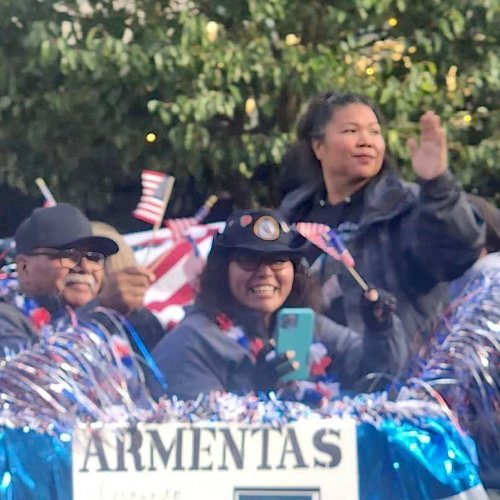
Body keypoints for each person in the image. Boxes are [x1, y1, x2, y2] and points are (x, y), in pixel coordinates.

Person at [279, 91, 484, 348]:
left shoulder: (407, 205)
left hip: (394, 371)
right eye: (351, 131)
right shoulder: (294, 214)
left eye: (375, 132)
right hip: (308, 369)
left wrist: (439, 186)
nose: (366, 141)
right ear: (318, 146)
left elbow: (456, 253)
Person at [148, 209, 408, 402]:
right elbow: (195, 441)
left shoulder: (305, 325)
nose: (265, 272)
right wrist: (257, 389)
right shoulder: (190, 342)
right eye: (249, 259)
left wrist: (381, 330)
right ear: (221, 271)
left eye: (278, 260)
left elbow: (378, 378)